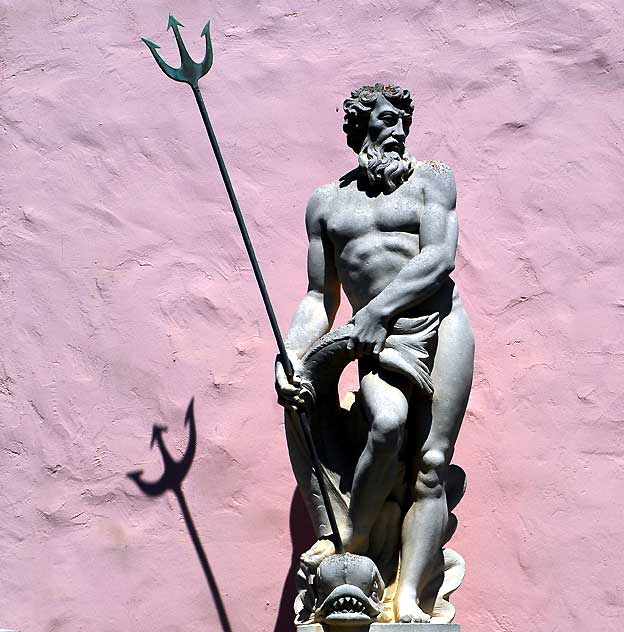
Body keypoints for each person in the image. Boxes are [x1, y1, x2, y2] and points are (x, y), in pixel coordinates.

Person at [275, 83, 474, 623]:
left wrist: (378, 312)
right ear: (359, 127)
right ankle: (352, 548)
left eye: (403, 120)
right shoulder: (327, 203)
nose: (399, 130)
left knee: (432, 465)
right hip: (373, 338)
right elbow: (320, 297)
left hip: (437, 323)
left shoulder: (433, 179)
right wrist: (292, 352)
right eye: (387, 119)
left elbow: (438, 258)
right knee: (386, 425)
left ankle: (406, 594)